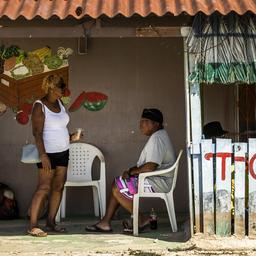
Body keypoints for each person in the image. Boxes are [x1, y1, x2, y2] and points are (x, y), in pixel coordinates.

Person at [86, 108, 176, 233]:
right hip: (155, 179)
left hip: (159, 182)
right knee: (117, 182)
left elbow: (150, 166)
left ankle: (141, 219)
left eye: (145, 121)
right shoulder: (158, 136)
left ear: (156, 124)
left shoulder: (157, 138)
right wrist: (130, 170)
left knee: (118, 187)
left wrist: (130, 172)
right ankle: (105, 223)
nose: (141, 124)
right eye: (141, 121)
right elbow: (147, 164)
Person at [27, 74, 79, 237]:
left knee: (58, 187)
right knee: (44, 188)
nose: (64, 90)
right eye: (61, 87)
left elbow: (58, 129)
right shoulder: (39, 106)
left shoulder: (60, 103)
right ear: (51, 88)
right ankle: (33, 226)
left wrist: (71, 137)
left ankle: (50, 222)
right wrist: (43, 155)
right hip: (47, 154)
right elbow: (37, 133)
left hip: (63, 152)